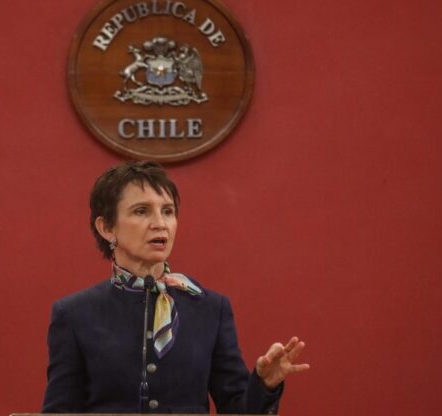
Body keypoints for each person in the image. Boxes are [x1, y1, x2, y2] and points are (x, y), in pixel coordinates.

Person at [42, 161, 309, 413]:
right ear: (106, 228)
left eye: (167, 211)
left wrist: (264, 385)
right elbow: (58, 412)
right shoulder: (74, 314)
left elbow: (236, 409)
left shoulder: (210, 308)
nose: (160, 224)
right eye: (141, 211)